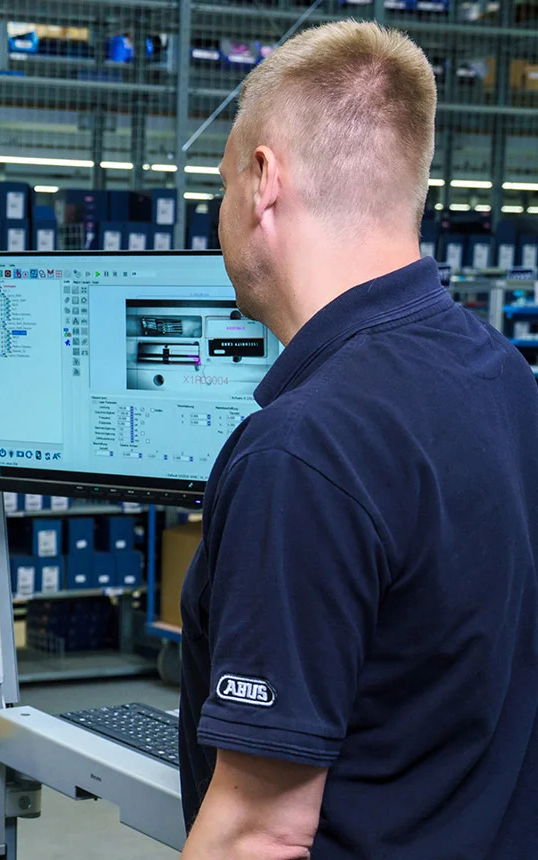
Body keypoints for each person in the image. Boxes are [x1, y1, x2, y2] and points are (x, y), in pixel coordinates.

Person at [179, 20, 538, 860]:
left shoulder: (304, 450)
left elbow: (258, 835)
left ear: (263, 181)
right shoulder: (504, 379)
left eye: (222, 181)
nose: (219, 213)